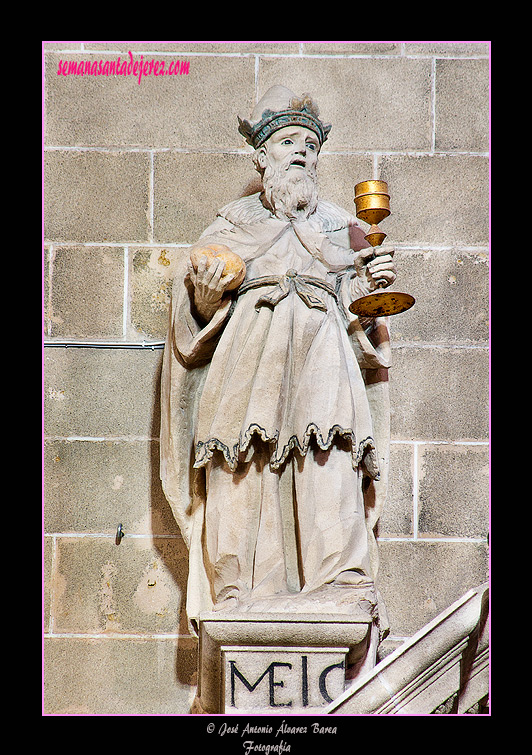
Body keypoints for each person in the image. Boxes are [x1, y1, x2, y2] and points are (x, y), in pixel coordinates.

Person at [160, 86, 396, 637]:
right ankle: (239, 584)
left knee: (331, 451)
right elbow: (192, 313)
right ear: (261, 157)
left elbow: (366, 320)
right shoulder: (231, 225)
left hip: (322, 353)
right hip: (251, 359)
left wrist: (371, 287)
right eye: (287, 142)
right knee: (243, 455)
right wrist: (205, 291)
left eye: (310, 146)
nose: (300, 153)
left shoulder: (344, 227)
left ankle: (338, 578)